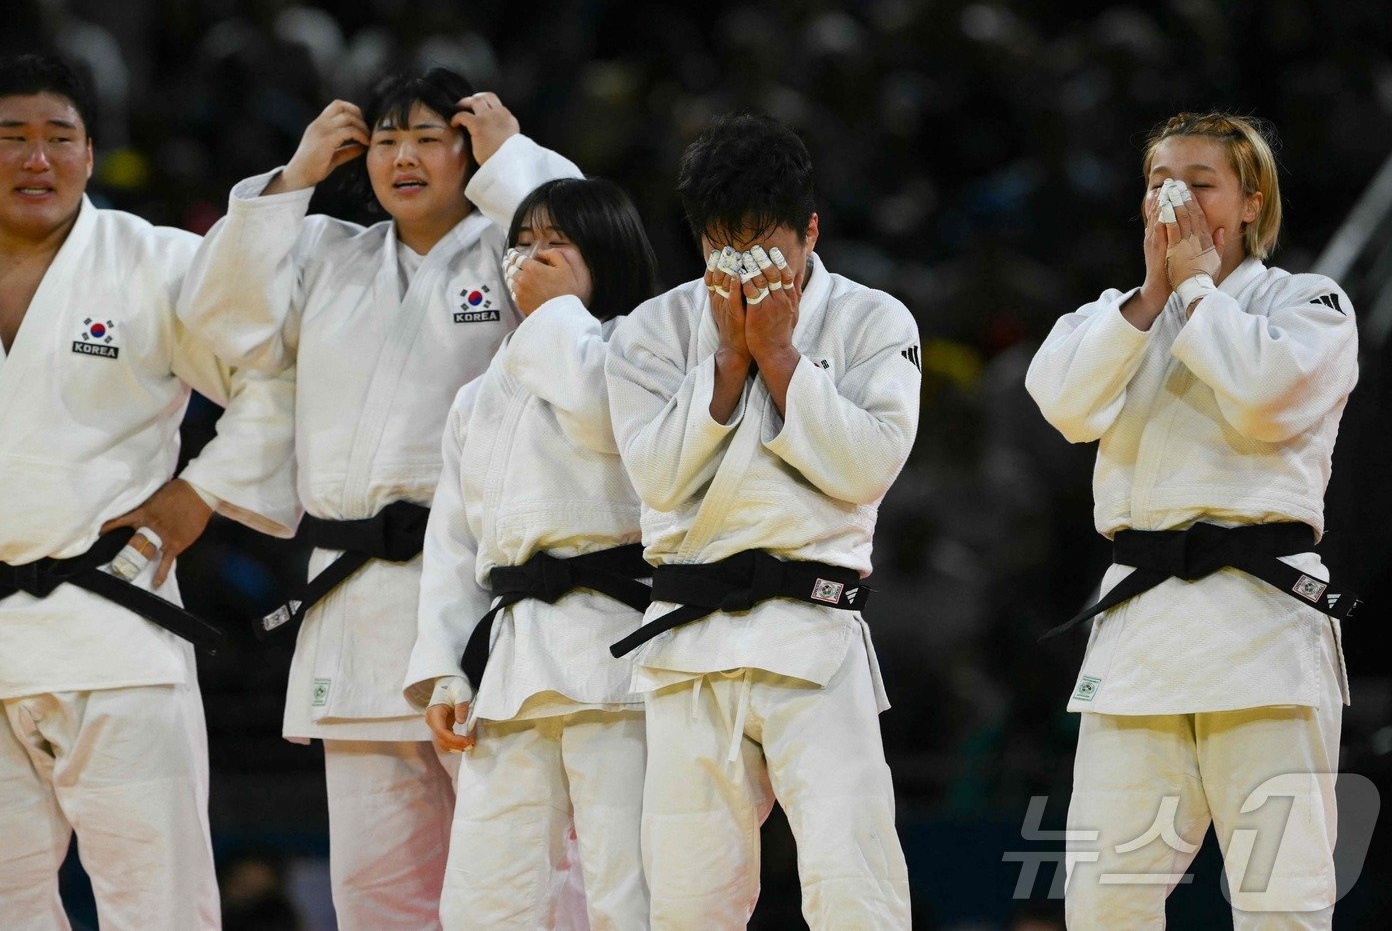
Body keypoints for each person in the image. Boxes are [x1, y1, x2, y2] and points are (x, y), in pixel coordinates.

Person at [177, 68, 580, 928]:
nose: (404, 156)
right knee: (374, 886)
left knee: (522, 866)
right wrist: (292, 178)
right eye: (389, 138)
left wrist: (513, 163)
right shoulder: (328, 252)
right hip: (354, 594)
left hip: (482, 591)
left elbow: (591, 261)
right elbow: (217, 324)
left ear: (470, 152)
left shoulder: (511, 253)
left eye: (429, 138)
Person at [1025, 112, 1359, 928]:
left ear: (1251, 202)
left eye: (1198, 183)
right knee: (1104, 904)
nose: (1172, 200)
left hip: (1264, 632)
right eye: (1158, 183)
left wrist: (1200, 288)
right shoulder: (1118, 316)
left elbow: (1266, 394)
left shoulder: (1309, 301)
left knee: (1283, 901)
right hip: (1141, 635)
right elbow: (1061, 404)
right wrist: (1151, 296)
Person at [0, 53, 298, 928]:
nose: (36, 159)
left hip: (116, 623)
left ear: (91, 155)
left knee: (158, 904)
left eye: (59, 138)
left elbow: (271, 376)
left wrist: (200, 493)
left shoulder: (157, 261)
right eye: (11, 138)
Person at [604, 113, 919, 928]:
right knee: (686, 903)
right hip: (687, 645)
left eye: (761, 243)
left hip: (813, 631)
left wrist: (781, 358)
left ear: (811, 231)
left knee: (856, 890)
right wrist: (728, 363)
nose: (739, 265)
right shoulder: (650, 331)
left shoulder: (874, 321)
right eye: (719, 244)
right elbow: (658, 479)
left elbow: (865, 468)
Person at [404, 176, 659, 929]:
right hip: (511, 667)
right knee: (484, 900)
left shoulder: (642, 349)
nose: (530, 259)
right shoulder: (478, 396)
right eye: (521, 244)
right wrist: (446, 668)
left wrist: (555, 316)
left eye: (556, 243)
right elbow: (453, 546)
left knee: (631, 891)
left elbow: (601, 420)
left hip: (620, 654)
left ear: (604, 255)